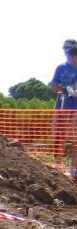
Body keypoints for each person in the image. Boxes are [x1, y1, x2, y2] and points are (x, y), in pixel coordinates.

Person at [49, 43, 77, 178]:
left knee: (75, 138)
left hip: (75, 109)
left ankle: (74, 168)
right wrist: (65, 89)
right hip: (63, 105)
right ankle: (58, 165)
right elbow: (53, 86)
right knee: (59, 135)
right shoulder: (61, 68)